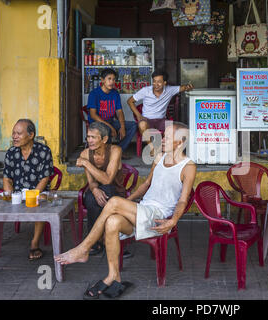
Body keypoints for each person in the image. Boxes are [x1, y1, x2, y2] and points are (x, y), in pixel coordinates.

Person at [55, 122, 196, 299]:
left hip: (159, 216)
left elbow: (183, 199)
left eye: (168, 137)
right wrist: (125, 203)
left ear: (180, 142)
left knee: (113, 203)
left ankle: (83, 248)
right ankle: (113, 276)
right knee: (113, 221)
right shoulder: (159, 157)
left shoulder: (188, 166)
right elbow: (145, 185)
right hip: (144, 210)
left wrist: (173, 221)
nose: (162, 139)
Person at [0, 119, 53, 261]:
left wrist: (33, 195)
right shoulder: (11, 152)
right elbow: (7, 178)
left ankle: (34, 243)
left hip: (37, 191)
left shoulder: (44, 151)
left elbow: (45, 178)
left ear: (31, 135)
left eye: (19, 133)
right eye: (14, 133)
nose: (14, 136)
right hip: (16, 192)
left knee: (42, 203)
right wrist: (9, 195)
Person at [77, 121, 132, 258]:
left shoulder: (115, 150)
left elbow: (108, 180)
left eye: (93, 137)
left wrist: (85, 163)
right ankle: (103, 242)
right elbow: (91, 182)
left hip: (116, 191)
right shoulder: (85, 153)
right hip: (98, 192)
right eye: (88, 137)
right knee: (91, 197)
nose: (90, 140)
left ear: (104, 139)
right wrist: (95, 190)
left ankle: (103, 241)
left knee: (106, 191)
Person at [127, 70, 193, 154]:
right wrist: (139, 116)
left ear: (164, 83)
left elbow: (183, 87)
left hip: (161, 120)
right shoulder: (145, 91)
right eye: (154, 81)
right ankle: (152, 148)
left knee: (174, 128)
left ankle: (169, 151)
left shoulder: (169, 90)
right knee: (142, 124)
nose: (155, 84)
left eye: (159, 82)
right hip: (146, 119)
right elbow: (130, 101)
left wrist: (188, 86)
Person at [88, 68, 137, 157]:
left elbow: (119, 112)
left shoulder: (115, 93)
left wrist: (122, 126)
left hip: (111, 121)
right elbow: (93, 115)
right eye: (109, 79)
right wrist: (111, 127)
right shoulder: (94, 94)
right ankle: (108, 152)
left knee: (133, 125)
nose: (112, 82)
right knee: (107, 129)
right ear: (102, 80)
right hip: (97, 123)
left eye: (114, 79)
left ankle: (119, 151)